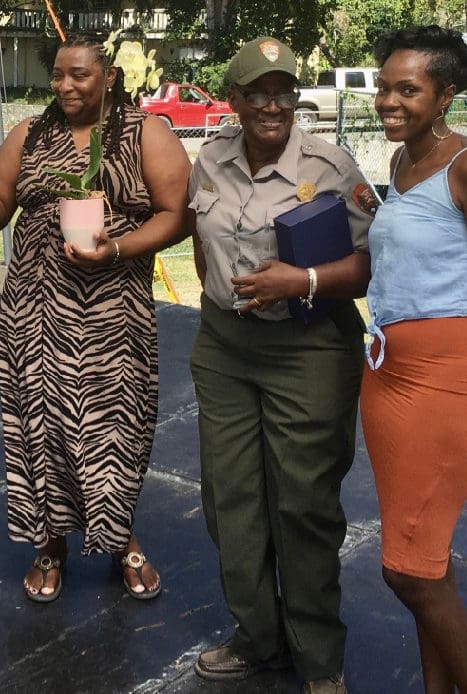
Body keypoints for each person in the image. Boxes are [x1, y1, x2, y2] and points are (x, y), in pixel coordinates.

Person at [0, 34, 190, 602]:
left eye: (79, 75)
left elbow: (177, 215)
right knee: (44, 427)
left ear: (107, 76)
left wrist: (116, 248)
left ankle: (120, 537)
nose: (65, 86)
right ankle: (51, 542)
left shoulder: (144, 132)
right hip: (35, 313)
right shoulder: (29, 134)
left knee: (114, 430)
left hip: (114, 315)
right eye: (58, 75)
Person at [188, 37, 377, 693]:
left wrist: (302, 282)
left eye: (284, 91)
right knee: (230, 501)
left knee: (303, 506)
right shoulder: (208, 158)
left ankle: (320, 660)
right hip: (225, 348)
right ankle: (260, 638)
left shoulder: (329, 164)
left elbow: (369, 264)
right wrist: (221, 302)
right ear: (234, 100)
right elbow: (201, 244)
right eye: (258, 92)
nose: (273, 104)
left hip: (309, 349)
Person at [364, 25, 467, 692]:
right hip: (386, 378)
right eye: (383, 87)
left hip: (450, 381)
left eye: (408, 89)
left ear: (446, 95)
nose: (388, 100)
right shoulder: (404, 165)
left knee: (405, 569)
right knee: (426, 558)